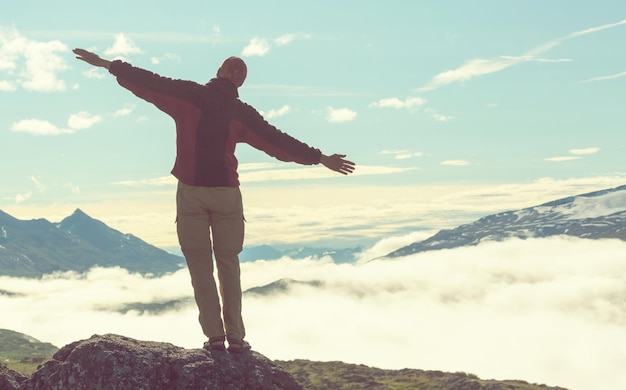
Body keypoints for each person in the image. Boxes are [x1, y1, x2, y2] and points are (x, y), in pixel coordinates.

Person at [73, 48, 355, 353]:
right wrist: (319, 158)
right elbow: (278, 142)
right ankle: (235, 337)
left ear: (219, 71)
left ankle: (216, 338)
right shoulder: (242, 113)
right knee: (228, 265)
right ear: (238, 81)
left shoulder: (189, 95)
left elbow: (149, 82)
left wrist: (106, 64)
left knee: (200, 267)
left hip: (192, 193)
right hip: (227, 196)